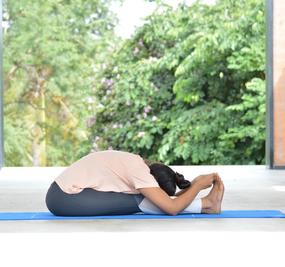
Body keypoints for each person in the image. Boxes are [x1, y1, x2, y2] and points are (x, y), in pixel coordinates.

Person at [45, 149, 225, 216]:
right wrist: (197, 186)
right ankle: (207, 205)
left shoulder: (137, 163)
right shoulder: (139, 172)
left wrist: (192, 185)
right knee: (137, 201)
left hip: (64, 194)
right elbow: (171, 208)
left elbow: (166, 201)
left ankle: (207, 205)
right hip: (64, 198)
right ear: (153, 179)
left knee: (140, 199)